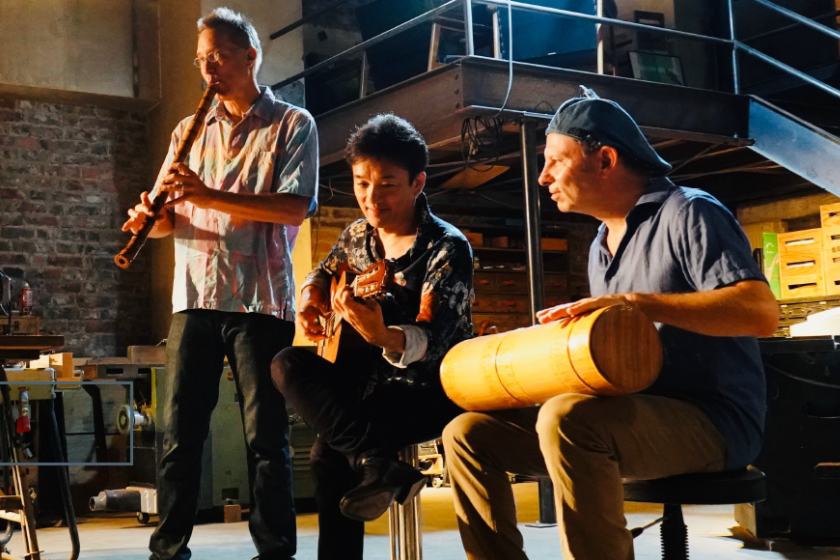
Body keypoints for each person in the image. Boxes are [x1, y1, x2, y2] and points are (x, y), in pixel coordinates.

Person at [442, 87, 780, 560]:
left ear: (604, 160)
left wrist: (638, 303)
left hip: (713, 420)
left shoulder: (690, 212)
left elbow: (761, 313)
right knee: (467, 433)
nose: (543, 177)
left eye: (555, 161)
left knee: (569, 420)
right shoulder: (602, 243)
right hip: (628, 414)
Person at [121, 8, 318, 560]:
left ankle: (276, 551)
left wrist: (206, 195)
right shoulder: (188, 130)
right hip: (194, 299)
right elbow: (169, 219)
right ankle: (169, 550)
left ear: (251, 56)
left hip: (261, 301)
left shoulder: (293, 124)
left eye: (219, 57)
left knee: (266, 439)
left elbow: (295, 207)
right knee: (178, 434)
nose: (207, 69)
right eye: (201, 60)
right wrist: (149, 220)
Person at [271, 114, 472, 560]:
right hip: (367, 384)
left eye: (387, 185)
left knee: (326, 455)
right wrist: (310, 298)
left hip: (430, 388)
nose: (371, 198)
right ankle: (377, 462)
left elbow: (438, 339)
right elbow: (322, 270)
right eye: (362, 184)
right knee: (285, 363)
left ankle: (373, 461)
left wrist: (384, 335)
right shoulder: (358, 236)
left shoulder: (446, 246)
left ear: (418, 183)